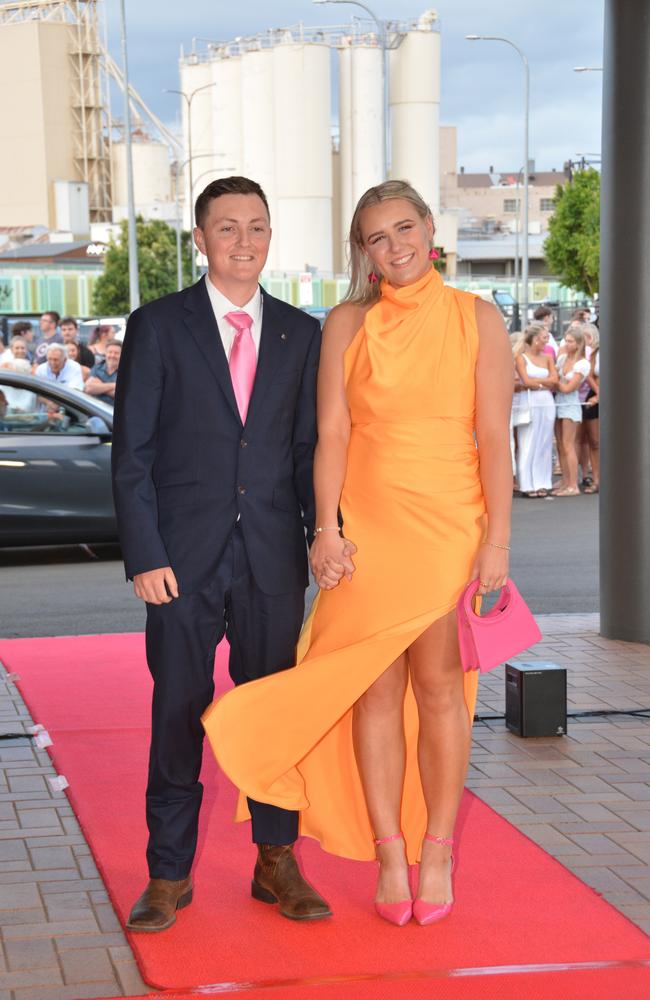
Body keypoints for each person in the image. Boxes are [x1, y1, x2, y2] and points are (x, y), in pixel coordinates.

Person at [204, 180, 513, 927]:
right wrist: (327, 530)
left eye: (405, 228)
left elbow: (492, 438)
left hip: (446, 523)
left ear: (431, 229)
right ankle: (387, 853)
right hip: (368, 526)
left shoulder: (478, 317)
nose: (395, 246)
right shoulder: (346, 322)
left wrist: (496, 541)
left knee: (439, 683)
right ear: (363, 250)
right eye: (378, 237)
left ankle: (435, 848)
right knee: (371, 689)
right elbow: (333, 434)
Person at [111, 175, 328, 933]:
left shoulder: (305, 333)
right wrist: (144, 552)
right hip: (180, 559)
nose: (244, 242)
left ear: (272, 237)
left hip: (272, 556)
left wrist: (322, 533)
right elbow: (131, 451)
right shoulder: (159, 325)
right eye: (227, 228)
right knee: (177, 711)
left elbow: (307, 451)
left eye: (258, 227)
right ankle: (168, 872)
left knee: (272, 713)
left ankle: (276, 861)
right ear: (199, 238)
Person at [513, 322, 558, 497]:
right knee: (528, 441)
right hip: (529, 401)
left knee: (545, 442)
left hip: (546, 401)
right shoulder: (521, 357)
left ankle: (543, 482)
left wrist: (537, 384)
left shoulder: (547, 357)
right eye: (543, 338)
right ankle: (527, 484)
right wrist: (542, 383)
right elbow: (525, 380)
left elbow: (554, 379)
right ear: (534, 339)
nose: (546, 342)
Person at [553, 327, 590, 496]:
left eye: (570, 341)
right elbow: (555, 376)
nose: (566, 344)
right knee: (560, 445)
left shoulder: (582, 364)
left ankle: (573, 485)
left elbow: (569, 387)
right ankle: (565, 482)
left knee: (568, 445)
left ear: (578, 343)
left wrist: (554, 382)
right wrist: (554, 381)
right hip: (558, 403)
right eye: (565, 341)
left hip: (570, 404)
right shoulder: (562, 359)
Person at [582, 327, 600, 493]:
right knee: (594, 442)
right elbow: (589, 374)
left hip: (615, 396)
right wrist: (599, 393)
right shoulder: (594, 353)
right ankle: (596, 479)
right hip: (594, 395)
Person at [0, 336, 35, 412]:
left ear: (26, 350)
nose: (20, 350)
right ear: (12, 350)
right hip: (8, 405)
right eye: (17, 348)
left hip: (25, 407)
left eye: (22, 348)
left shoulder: (32, 368)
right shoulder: (4, 365)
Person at [84, 339, 121, 404]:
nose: (112, 355)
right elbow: (88, 389)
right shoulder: (96, 368)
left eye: (116, 353)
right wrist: (114, 385)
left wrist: (99, 386)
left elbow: (122, 396)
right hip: (92, 408)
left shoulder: (126, 374)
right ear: (105, 353)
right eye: (110, 352)